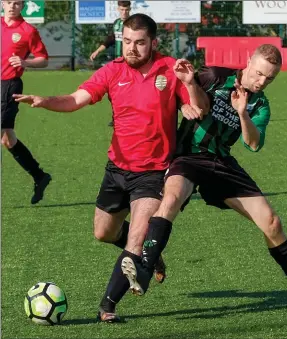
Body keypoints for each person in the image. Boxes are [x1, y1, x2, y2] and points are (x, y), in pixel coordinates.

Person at [14, 13, 210, 321]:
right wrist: (45, 100)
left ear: (153, 43)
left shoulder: (170, 70)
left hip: (153, 172)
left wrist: (190, 86)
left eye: (140, 43)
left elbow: (199, 108)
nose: (132, 49)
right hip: (117, 169)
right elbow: (76, 99)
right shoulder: (112, 71)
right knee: (104, 233)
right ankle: (150, 255)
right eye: (127, 42)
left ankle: (108, 305)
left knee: (134, 240)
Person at [121, 44, 287, 306]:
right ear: (248, 62)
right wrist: (183, 105)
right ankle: (144, 269)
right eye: (259, 73)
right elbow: (178, 92)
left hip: (221, 162)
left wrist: (242, 113)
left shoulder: (260, 104)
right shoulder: (215, 76)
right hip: (188, 157)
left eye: (270, 78)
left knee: (272, 223)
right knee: (171, 200)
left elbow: (253, 144)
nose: (262, 82)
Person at [1, 0, 51, 205]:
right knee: (7, 138)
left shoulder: (27, 30)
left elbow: (44, 59)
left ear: (23, 6)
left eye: (17, 3)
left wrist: (25, 62)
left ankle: (39, 176)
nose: (12, 6)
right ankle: (39, 176)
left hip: (9, 86)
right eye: (9, 2)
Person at [89, 1, 131, 127]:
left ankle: (131, 116)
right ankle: (116, 117)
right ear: (118, 9)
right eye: (122, 9)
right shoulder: (117, 23)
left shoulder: (133, 24)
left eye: (126, 10)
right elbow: (110, 40)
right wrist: (97, 51)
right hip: (118, 64)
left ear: (130, 9)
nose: (124, 12)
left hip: (130, 63)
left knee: (129, 90)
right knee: (113, 90)